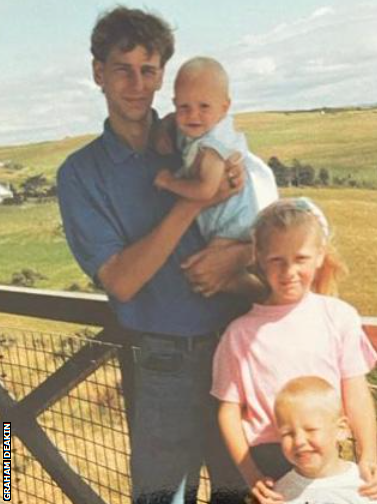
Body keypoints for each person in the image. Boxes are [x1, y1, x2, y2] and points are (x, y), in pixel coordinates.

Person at [57, 6, 277, 504]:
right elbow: (121, 281)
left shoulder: (197, 134)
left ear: (162, 76)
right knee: (162, 499)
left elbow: (259, 228)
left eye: (149, 70)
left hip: (237, 347)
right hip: (162, 361)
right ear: (98, 73)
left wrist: (238, 253)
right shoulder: (80, 173)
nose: (137, 84)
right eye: (122, 69)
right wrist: (194, 199)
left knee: (240, 492)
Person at [210, 197, 377, 503]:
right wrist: (252, 475)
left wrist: (369, 452)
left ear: (319, 257)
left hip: (326, 451)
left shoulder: (339, 317)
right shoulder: (240, 334)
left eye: (300, 258)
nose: (289, 271)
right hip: (268, 463)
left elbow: (355, 391)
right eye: (277, 260)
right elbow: (229, 411)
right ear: (259, 258)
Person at [154, 56, 278, 247]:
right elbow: (176, 117)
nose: (193, 115)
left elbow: (205, 191)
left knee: (208, 270)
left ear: (224, 107)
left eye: (204, 106)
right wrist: (164, 126)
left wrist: (169, 182)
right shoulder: (205, 124)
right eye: (184, 107)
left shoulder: (212, 147)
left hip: (236, 225)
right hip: (236, 219)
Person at [273, 376, 377, 504]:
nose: (299, 441)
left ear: (341, 430)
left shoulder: (366, 485)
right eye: (287, 433)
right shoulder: (279, 493)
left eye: (311, 430)